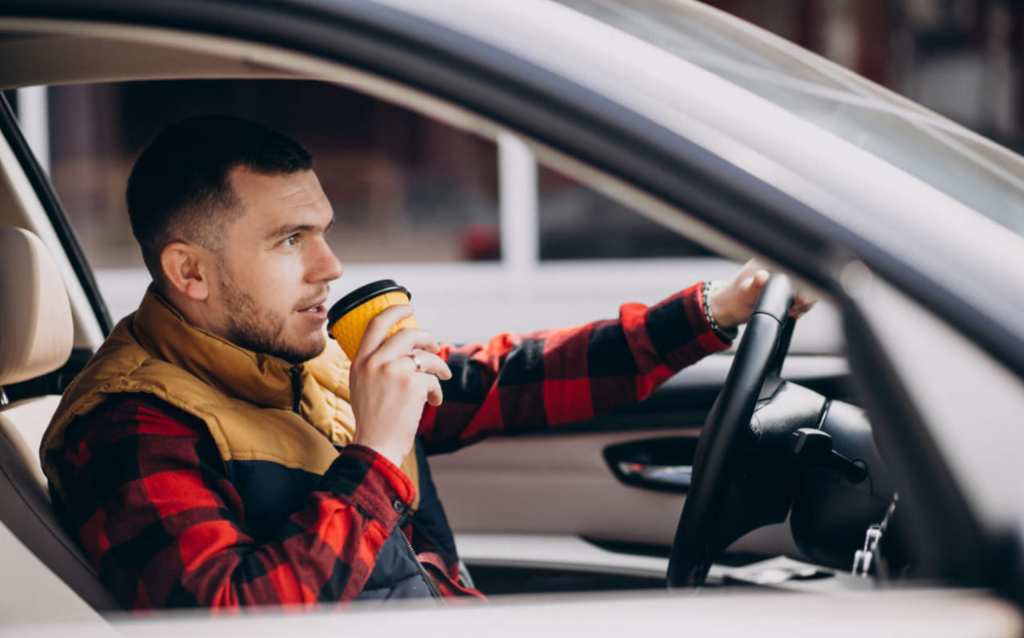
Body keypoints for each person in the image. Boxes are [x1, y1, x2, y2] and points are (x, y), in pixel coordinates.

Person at [41, 115, 812, 611]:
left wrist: (716, 310)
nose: (330, 266)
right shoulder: (128, 427)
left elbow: (511, 379)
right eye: (289, 241)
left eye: (324, 231)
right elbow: (234, 631)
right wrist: (374, 455)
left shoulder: (294, 356)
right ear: (191, 273)